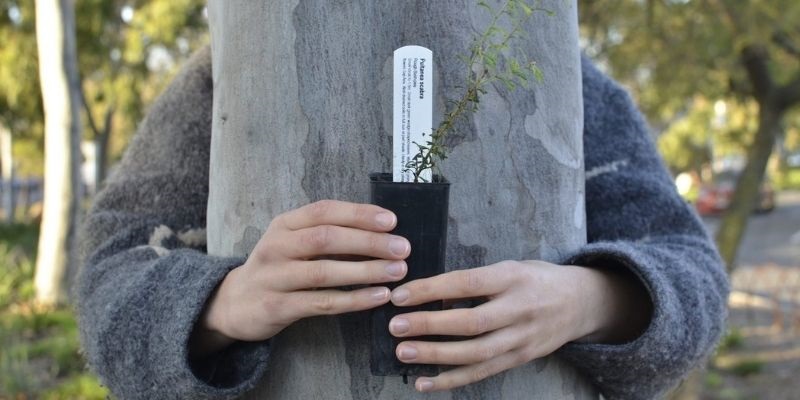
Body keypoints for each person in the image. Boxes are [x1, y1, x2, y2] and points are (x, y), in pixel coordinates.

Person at [76, 47, 729, 399]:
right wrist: (221, 305)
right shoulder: (230, 74)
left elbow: (691, 272)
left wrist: (595, 299)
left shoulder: (561, 76)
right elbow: (109, 280)